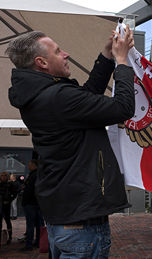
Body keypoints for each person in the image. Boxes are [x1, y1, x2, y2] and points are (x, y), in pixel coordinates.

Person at [6, 25, 136, 258]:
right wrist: (122, 61)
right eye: (58, 51)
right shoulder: (58, 97)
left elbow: (86, 97)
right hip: (81, 223)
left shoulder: (39, 95)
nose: (66, 54)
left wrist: (107, 55)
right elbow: (123, 107)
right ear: (41, 63)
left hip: (64, 217)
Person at [20, 159, 43, 251]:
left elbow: (29, 190)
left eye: (29, 164)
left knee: (30, 225)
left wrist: (24, 202)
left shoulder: (33, 175)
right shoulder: (40, 175)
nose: (28, 166)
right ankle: (38, 242)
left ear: (34, 165)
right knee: (38, 224)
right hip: (38, 203)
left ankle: (28, 245)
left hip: (30, 204)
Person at [0, 171, 19, 245]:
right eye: (2, 175)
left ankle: (10, 237)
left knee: (8, 221)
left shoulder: (10, 184)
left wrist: (9, 200)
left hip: (6, 205)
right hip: (0, 205)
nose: (3, 177)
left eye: (5, 175)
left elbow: (15, 193)